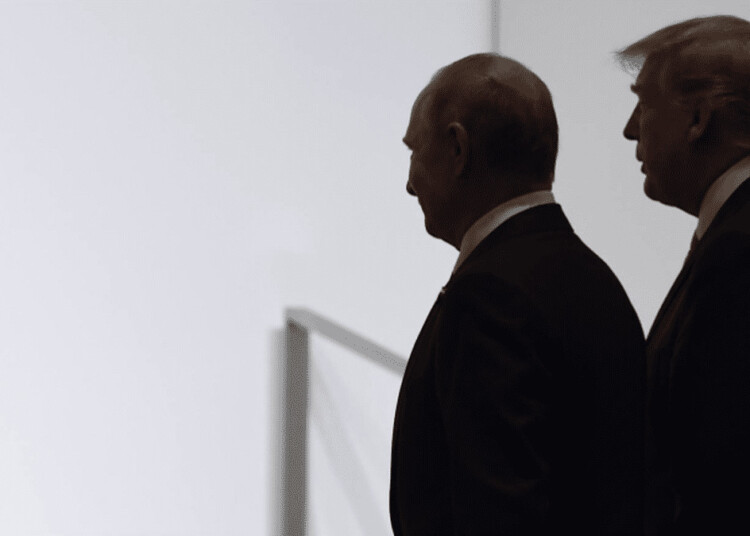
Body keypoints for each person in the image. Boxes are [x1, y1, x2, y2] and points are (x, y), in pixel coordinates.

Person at [390, 53, 646, 536]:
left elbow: (497, 512)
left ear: (457, 148)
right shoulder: (593, 277)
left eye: (414, 150)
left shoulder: (488, 296)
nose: (408, 183)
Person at [618, 15, 750, 536]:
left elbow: (716, 474)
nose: (630, 128)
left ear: (698, 118)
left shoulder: (736, 254)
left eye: (644, 103)